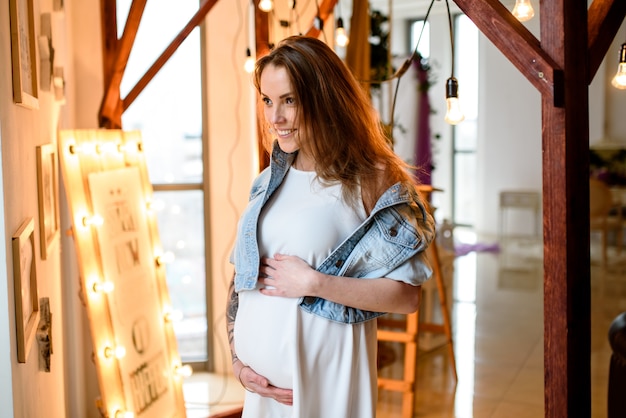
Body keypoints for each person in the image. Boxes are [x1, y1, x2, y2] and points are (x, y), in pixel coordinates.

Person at [226, 35, 435, 418]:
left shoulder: (372, 179)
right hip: (261, 397)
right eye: (268, 101)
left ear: (324, 97)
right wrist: (238, 362)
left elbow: (406, 297)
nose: (276, 119)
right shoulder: (265, 181)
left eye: (290, 100)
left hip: (329, 385)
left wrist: (315, 284)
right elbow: (242, 280)